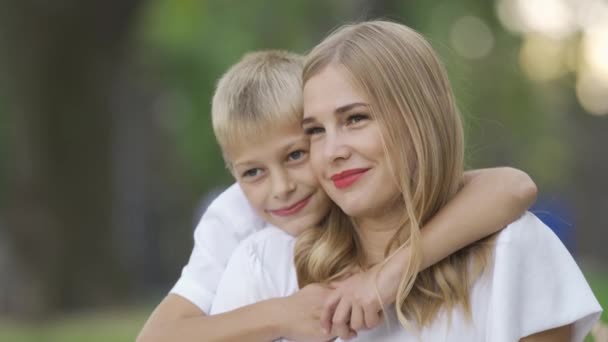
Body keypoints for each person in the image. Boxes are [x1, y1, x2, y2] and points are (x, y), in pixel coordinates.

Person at [210, 22, 602, 341]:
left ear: (419, 120)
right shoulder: (267, 264)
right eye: (315, 131)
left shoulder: (512, 251)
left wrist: (387, 276)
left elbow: (514, 186)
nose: (333, 151)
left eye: (355, 119)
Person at [138, 50, 538, 342]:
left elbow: (513, 186)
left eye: (296, 155)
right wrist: (282, 315)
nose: (281, 188)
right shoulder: (238, 219)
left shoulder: (368, 189)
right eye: (253, 172)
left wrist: (385, 275)